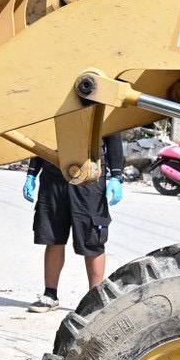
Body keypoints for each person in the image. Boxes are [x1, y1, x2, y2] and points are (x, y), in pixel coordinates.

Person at [24, 133, 124, 312]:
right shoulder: (50, 106)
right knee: (53, 237)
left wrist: (117, 176)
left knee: (93, 240)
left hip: (89, 177)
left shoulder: (104, 107)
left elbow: (114, 137)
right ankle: (50, 295)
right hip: (53, 176)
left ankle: (96, 302)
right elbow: (40, 137)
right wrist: (32, 173)